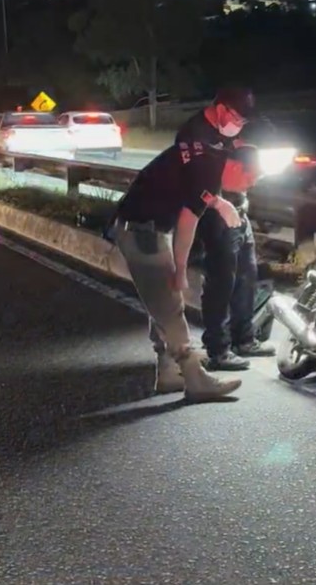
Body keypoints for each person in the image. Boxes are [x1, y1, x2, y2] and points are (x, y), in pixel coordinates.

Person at [108, 139, 260, 402]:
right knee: (170, 308)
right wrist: (179, 271)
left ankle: (168, 374)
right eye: (252, 176)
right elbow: (188, 227)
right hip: (142, 232)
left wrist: (219, 203)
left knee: (160, 304)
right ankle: (195, 379)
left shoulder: (207, 163)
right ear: (234, 166)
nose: (253, 184)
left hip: (145, 228)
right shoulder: (206, 172)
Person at [173, 88, 275, 372]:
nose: (238, 126)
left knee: (246, 273)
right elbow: (191, 185)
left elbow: (236, 158)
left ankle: (245, 338)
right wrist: (219, 204)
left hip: (237, 206)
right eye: (237, 119)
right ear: (221, 109)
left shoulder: (227, 131)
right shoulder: (192, 134)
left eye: (244, 122)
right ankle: (218, 349)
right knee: (221, 279)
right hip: (211, 213)